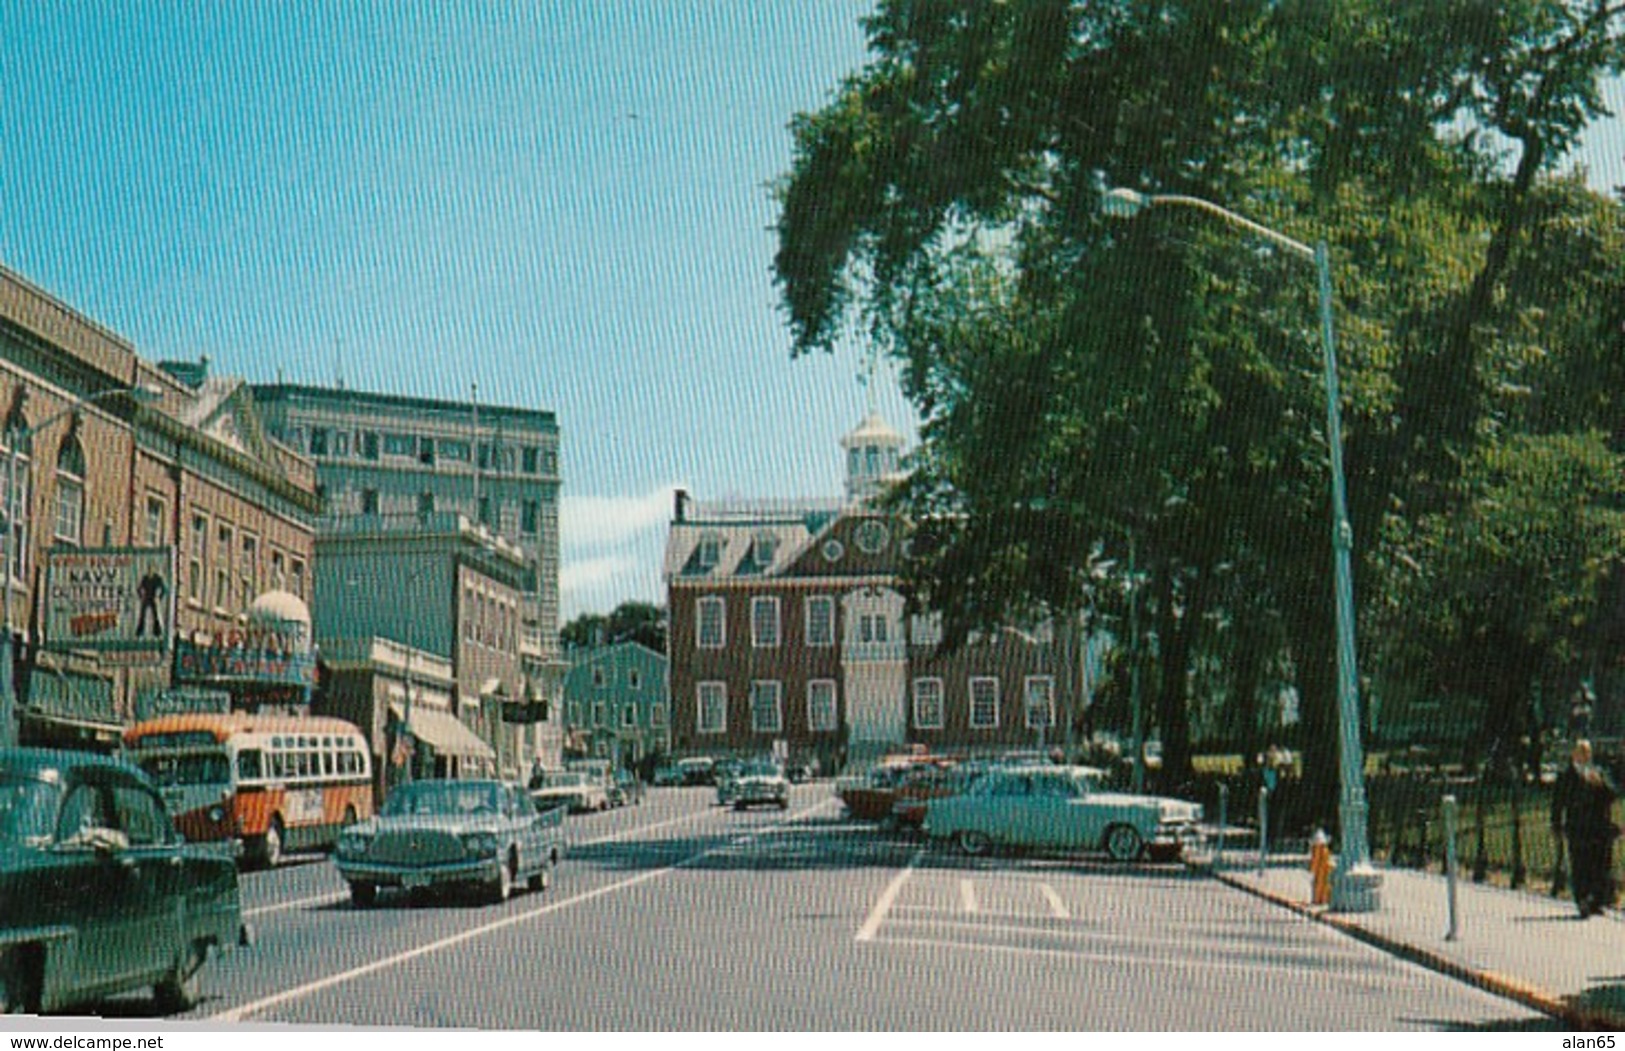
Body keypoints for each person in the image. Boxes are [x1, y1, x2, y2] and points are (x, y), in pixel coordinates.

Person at [1552, 739, 1620, 918]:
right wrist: (1556, 825)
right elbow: (1557, 803)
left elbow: (1611, 797)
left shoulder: (1597, 772)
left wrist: (1601, 784)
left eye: (1587, 752)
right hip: (1577, 827)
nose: (1584, 755)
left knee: (1598, 865)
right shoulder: (1566, 777)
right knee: (1580, 865)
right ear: (1574, 754)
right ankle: (1581, 899)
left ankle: (1596, 900)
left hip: (1597, 828)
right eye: (1580, 752)